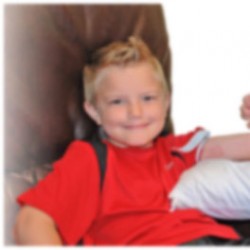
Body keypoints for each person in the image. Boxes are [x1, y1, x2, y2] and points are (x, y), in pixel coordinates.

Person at [14, 36, 250, 246]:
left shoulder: (176, 148)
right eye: (117, 101)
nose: (136, 112)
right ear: (95, 112)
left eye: (148, 98)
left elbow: (241, 147)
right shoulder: (91, 159)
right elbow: (31, 221)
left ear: (165, 103)